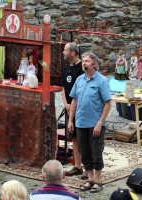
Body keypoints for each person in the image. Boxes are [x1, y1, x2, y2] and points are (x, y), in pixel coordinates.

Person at [68, 52, 111, 193]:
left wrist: (100, 123)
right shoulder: (79, 80)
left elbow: (108, 104)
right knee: (84, 152)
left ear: (94, 64)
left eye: (86, 61)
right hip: (81, 122)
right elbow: (74, 100)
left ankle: (98, 181)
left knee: (96, 153)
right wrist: (70, 120)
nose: (83, 63)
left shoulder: (102, 81)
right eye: (83, 61)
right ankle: (90, 179)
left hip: (95, 124)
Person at [61, 42, 87, 179]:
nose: (63, 53)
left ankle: (87, 166)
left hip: (81, 108)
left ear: (73, 53)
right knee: (74, 138)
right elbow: (63, 88)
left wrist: (75, 105)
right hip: (69, 108)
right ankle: (77, 166)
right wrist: (66, 104)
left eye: (65, 50)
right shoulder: (65, 68)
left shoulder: (82, 68)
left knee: (83, 137)